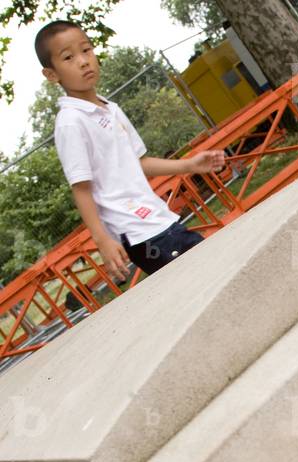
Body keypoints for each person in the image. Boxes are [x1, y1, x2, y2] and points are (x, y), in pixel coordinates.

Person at [35, 19, 226, 282]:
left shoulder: (110, 108)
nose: (83, 61)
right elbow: (81, 189)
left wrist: (190, 165)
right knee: (207, 283)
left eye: (86, 50)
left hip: (159, 219)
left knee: (220, 276)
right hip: (138, 233)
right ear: (52, 74)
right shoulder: (71, 121)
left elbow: (141, 162)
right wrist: (102, 240)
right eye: (68, 57)